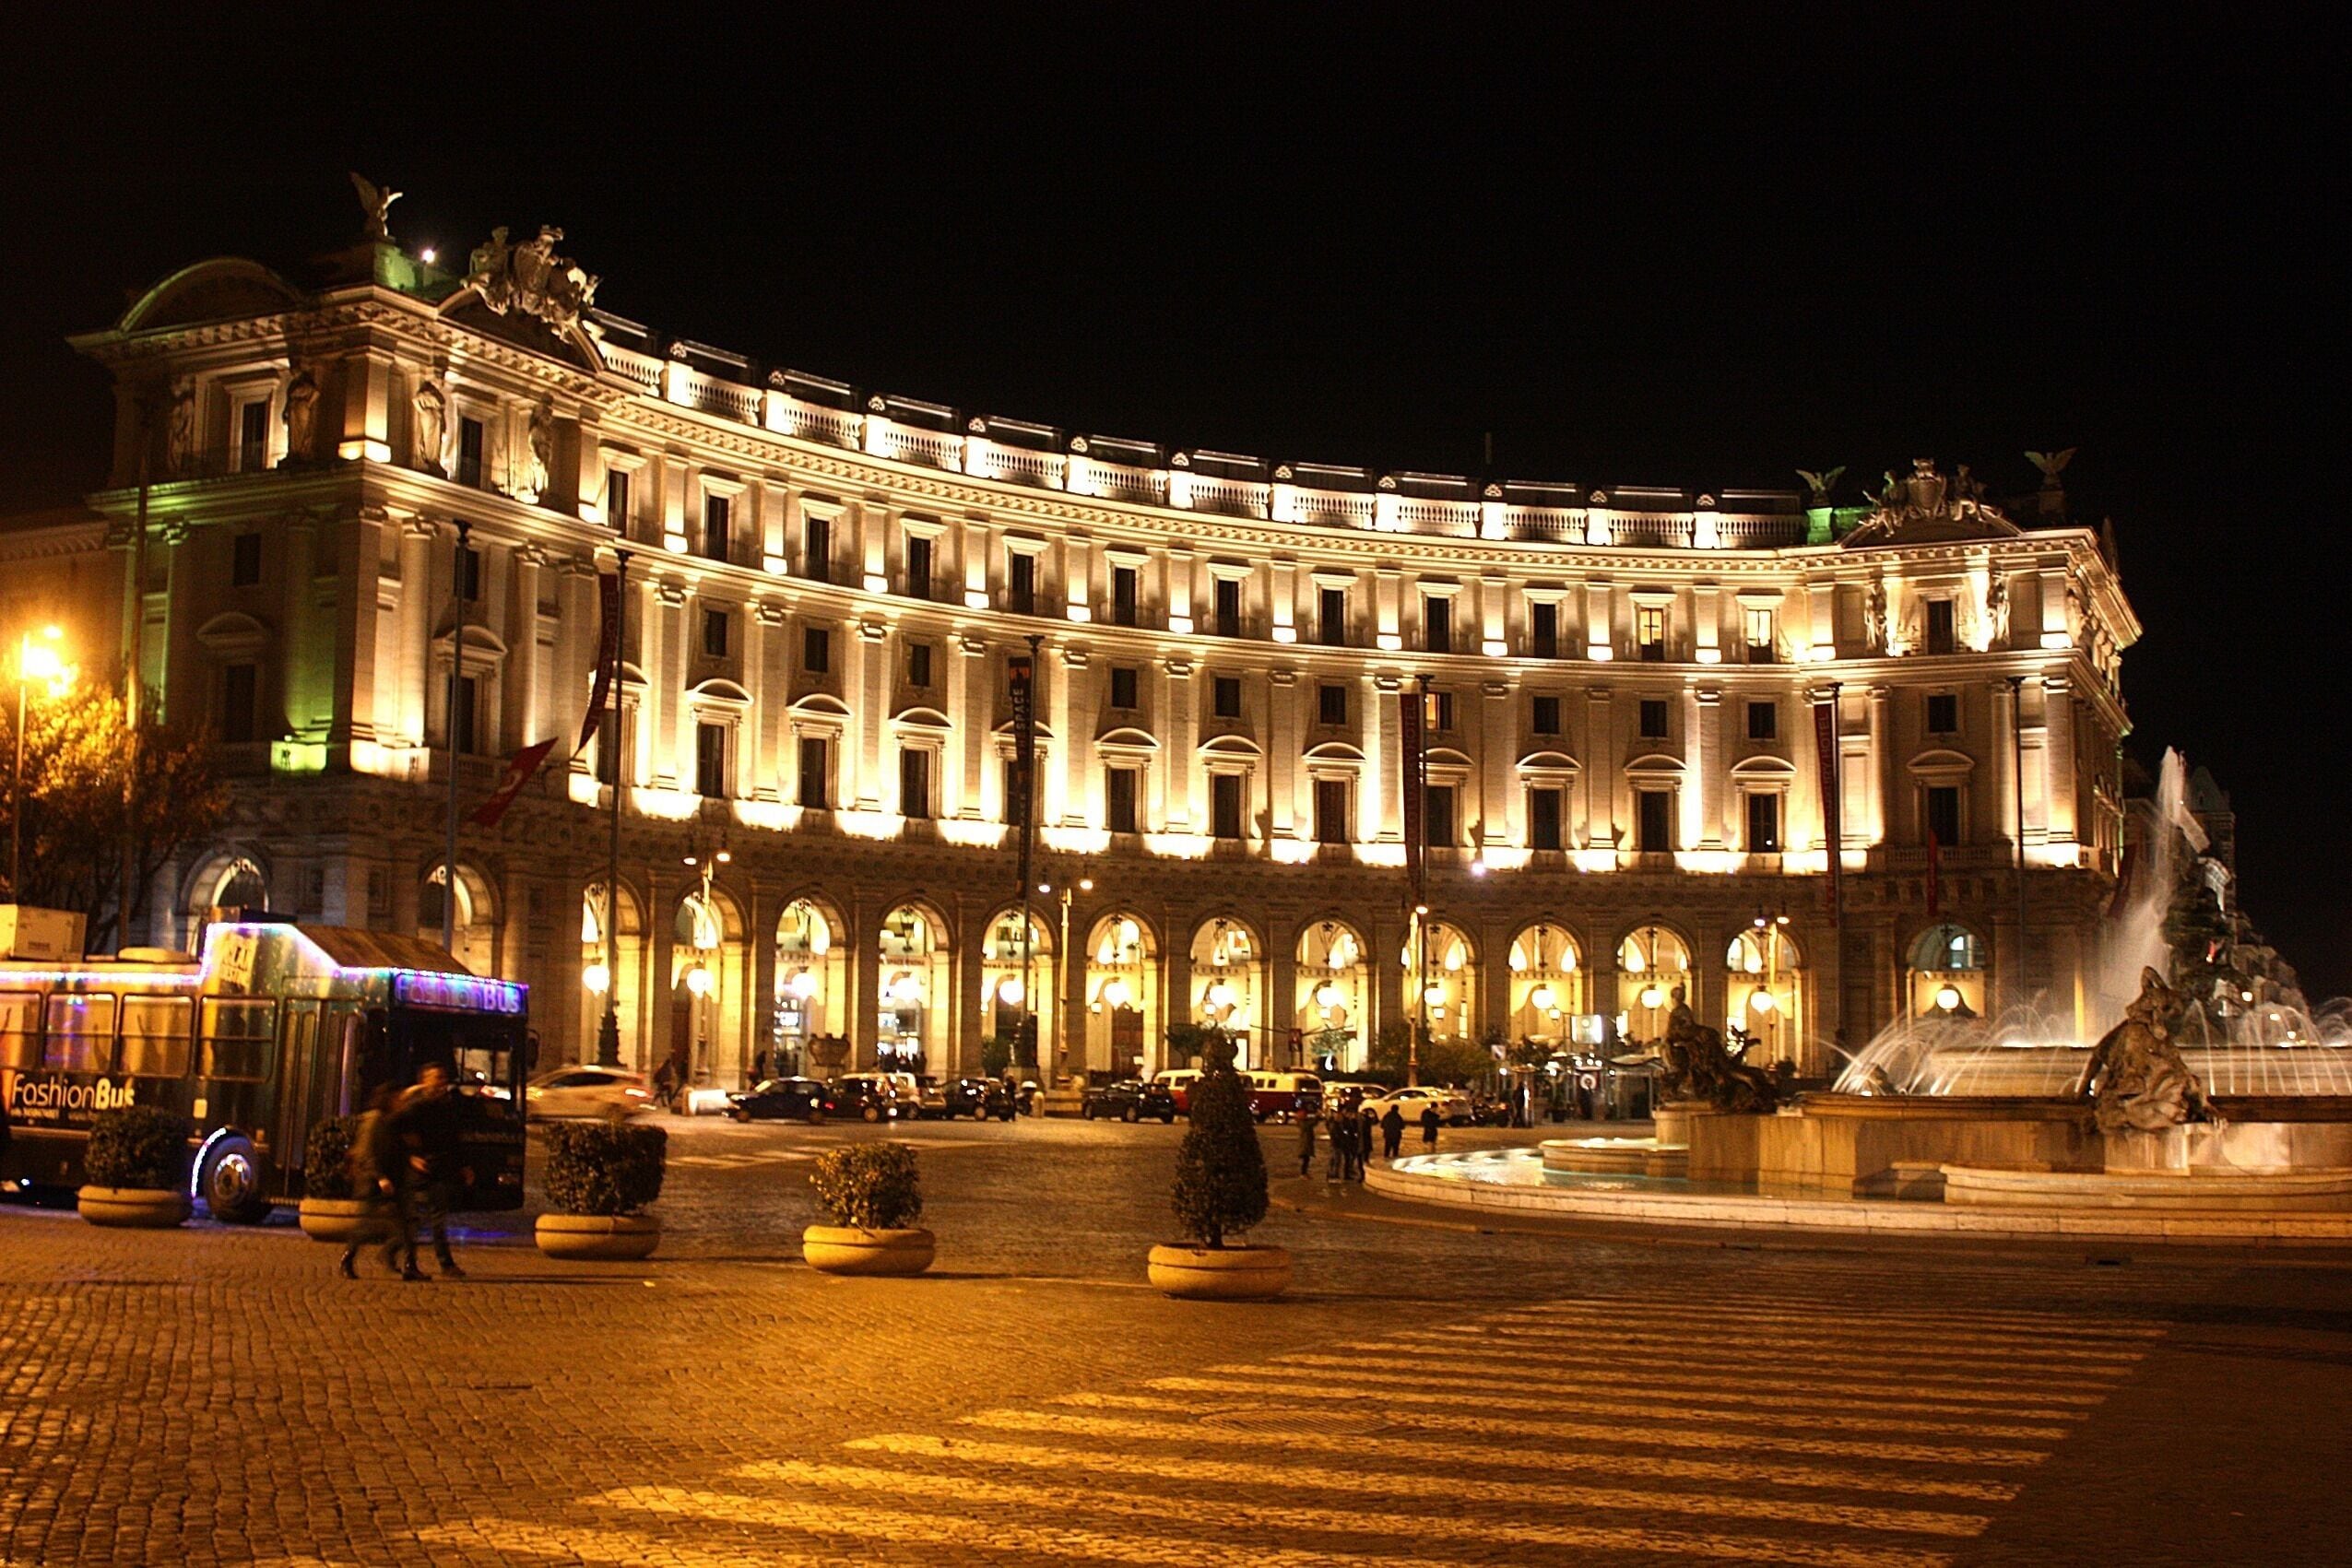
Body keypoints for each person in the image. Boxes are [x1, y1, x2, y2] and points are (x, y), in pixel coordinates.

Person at [401, 1063, 469, 1279]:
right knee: (414, 1219)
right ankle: (411, 1263)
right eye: (436, 1077)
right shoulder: (416, 1106)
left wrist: (463, 1165)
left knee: (437, 1219)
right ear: (424, 1081)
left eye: (443, 1077)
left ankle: (444, 1264)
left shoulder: (447, 1105)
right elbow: (397, 1132)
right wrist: (411, 1156)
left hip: (440, 1167)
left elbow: (454, 1139)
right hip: (420, 1168)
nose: (442, 1082)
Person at [338, 1084, 412, 1279]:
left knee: (405, 1225)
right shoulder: (374, 1120)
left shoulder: (389, 1120)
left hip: (391, 1180)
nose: (401, 1102)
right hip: (372, 1182)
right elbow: (367, 1152)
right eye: (397, 1098)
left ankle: (390, 1255)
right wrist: (380, 1177)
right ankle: (347, 1258)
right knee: (365, 1226)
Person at [1297, 1110, 1318, 1177]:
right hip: (1305, 1145)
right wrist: (1317, 1117)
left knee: (1307, 1159)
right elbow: (1312, 1123)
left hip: (1306, 1144)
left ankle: (1304, 1173)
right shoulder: (1303, 1123)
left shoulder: (1303, 1122)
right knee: (1305, 1160)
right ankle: (1303, 1173)